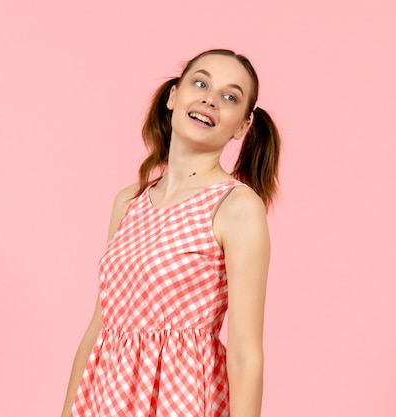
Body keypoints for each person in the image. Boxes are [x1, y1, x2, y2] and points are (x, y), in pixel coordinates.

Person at [60, 49, 281, 417]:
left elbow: (245, 352)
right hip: (107, 399)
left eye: (230, 97)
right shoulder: (129, 202)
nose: (210, 99)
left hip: (182, 400)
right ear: (173, 96)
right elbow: (99, 326)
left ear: (242, 127)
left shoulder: (236, 207)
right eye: (201, 83)